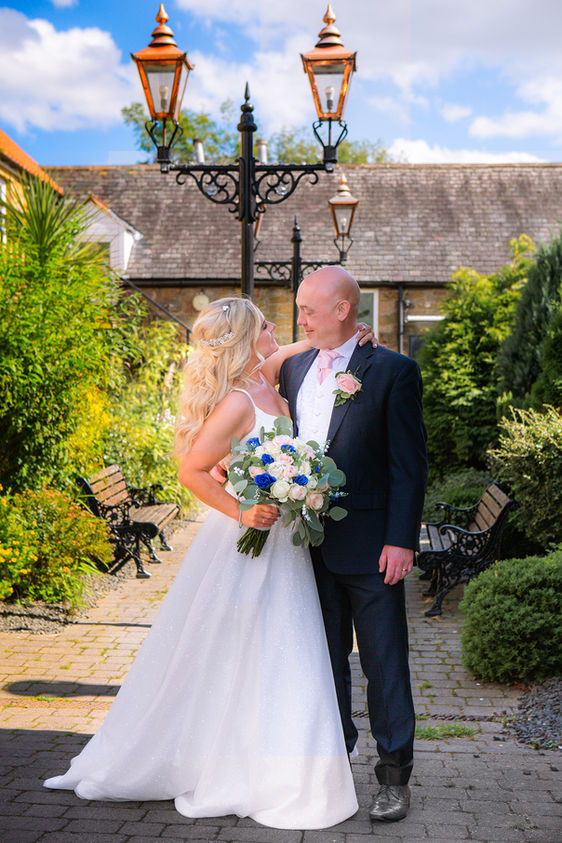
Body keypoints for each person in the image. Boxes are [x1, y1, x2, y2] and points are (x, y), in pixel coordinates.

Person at [44, 296, 377, 830]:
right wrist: (242, 510)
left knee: (276, 644)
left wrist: (351, 336)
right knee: (242, 642)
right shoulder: (240, 401)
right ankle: (236, 761)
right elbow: (193, 469)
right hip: (251, 538)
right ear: (248, 337)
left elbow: (308, 344)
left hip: (286, 543)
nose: (276, 330)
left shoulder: (269, 377)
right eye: (266, 325)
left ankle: (281, 757)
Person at [279, 267, 428, 823]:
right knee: (325, 662)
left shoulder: (392, 371)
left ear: (344, 310)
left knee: (384, 666)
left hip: (371, 549)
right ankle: (337, 759)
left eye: (309, 310)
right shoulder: (293, 367)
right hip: (302, 549)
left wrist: (400, 540)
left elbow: (408, 466)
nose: (301, 318)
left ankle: (394, 779)